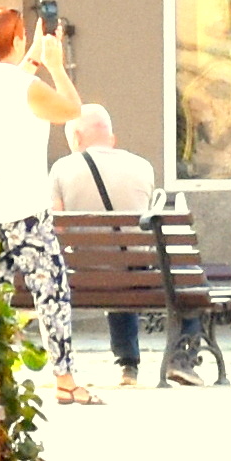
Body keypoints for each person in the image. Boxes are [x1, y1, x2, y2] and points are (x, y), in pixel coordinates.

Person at [0, 7, 93, 405]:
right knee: (51, 293)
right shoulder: (29, 90)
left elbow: (11, 85)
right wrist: (55, 66)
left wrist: (32, 58)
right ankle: (65, 379)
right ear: (18, 39)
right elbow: (73, 111)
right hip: (25, 212)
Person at [47, 101, 179, 383]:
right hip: (137, 277)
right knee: (186, 282)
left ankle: (127, 364)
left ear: (77, 138)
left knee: (109, 264)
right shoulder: (143, 167)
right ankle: (180, 358)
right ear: (112, 137)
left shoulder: (61, 168)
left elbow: (56, 226)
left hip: (85, 277)